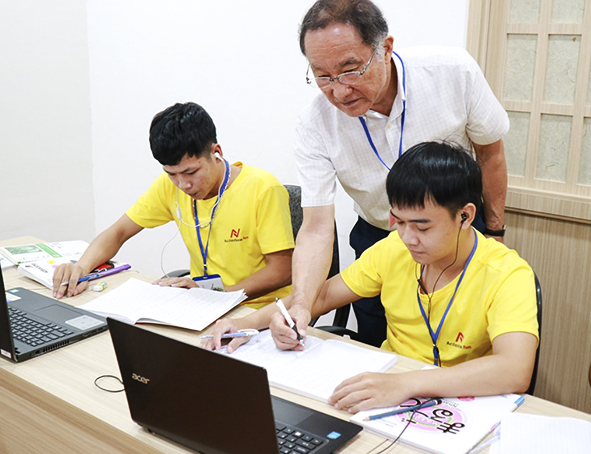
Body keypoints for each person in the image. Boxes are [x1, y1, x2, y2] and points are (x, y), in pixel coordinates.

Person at [203, 141, 538, 412]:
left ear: (464, 216)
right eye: (399, 221)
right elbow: (320, 296)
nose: (408, 237)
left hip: (460, 402)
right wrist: (247, 324)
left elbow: (514, 369)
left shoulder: (507, 273)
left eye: (422, 225)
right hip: (387, 391)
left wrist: (408, 384)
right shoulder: (394, 249)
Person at [291, 0, 510, 347]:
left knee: (466, 344)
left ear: (385, 49)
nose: (339, 90)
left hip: (456, 235)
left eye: (351, 70)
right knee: (378, 343)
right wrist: (302, 306)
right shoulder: (315, 122)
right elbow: (316, 228)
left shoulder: (451, 72)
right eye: (322, 75)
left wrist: (495, 232)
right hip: (378, 238)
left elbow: (490, 153)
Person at [52, 102, 294, 308]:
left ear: (216, 152)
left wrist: (220, 295)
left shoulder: (262, 189)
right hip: (202, 305)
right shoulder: (169, 186)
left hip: (257, 309)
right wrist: (81, 267)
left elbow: (284, 270)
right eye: (172, 174)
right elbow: (118, 231)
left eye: (191, 172)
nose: (183, 185)